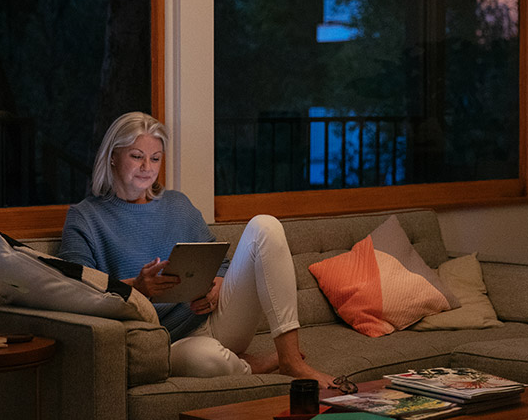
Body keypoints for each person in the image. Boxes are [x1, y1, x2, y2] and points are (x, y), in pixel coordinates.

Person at [59, 111, 334, 387]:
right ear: (112, 156)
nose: (147, 166)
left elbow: (222, 264)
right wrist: (137, 287)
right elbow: (77, 293)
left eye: (155, 158)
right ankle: (251, 363)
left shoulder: (178, 205)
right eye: (136, 156)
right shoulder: (85, 218)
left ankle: (290, 361)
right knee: (205, 359)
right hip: (164, 343)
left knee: (265, 226)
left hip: (214, 320)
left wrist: (216, 286)